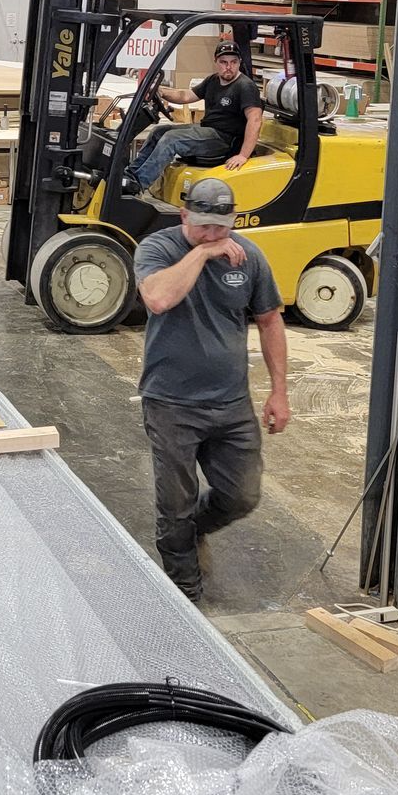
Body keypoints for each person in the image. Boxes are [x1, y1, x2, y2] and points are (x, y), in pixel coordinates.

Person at [131, 177, 290, 601]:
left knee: (243, 495)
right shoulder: (158, 249)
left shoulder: (249, 257)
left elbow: (271, 321)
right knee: (175, 503)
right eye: (203, 227)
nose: (214, 235)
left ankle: (193, 531)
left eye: (221, 228)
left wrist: (279, 391)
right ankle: (185, 592)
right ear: (184, 216)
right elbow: (159, 299)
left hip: (231, 402)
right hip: (171, 403)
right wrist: (202, 253)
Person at [127, 41, 265, 191]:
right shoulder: (213, 80)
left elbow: (255, 120)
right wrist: (161, 91)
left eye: (233, 62)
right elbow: (186, 96)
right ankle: (130, 175)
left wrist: (243, 155)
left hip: (224, 140)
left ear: (239, 62)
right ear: (216, 62)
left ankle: (138, 184)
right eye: (223, 62)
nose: (228, 67)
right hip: (208, 130)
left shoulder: (245, 86)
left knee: (171, 139)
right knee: (158, 132)